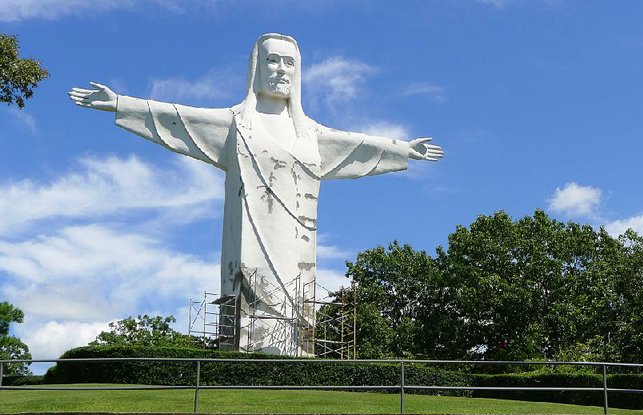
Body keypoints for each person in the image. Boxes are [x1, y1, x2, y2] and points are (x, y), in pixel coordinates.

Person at [69, 33, 443, 353]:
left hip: (297, 244)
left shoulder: (310, 133)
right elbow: (179, 119)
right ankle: (245, 350)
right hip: (248, 239)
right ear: (257, 67)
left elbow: (358, 146)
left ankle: (295, 352)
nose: (281, 70)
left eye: (290, 63)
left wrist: (404, 149)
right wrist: (121, 104)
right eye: (273, 60)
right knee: (246, 293)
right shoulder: (235, 124)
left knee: (299, 296)